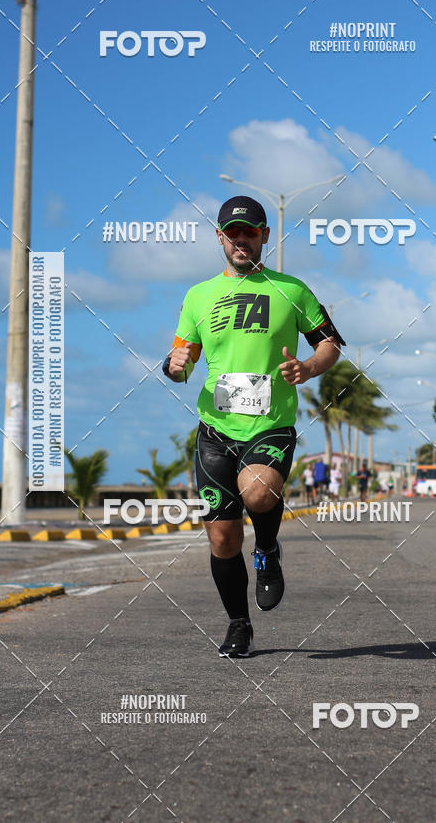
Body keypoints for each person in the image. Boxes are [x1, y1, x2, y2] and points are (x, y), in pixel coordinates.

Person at [164, 196, 345, 659]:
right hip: (215, 428)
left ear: (265, 235)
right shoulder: (197, 296)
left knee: (260, 492)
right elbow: (182, 362)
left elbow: (330, 344)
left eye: (249, 231)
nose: (240, 239)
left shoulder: (292, 289)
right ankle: (238, 625)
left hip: (270, 422)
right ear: (220, 237)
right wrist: (175, 364)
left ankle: (266, 547)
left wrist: (309, 367)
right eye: (231, 232)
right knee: (223, 538)